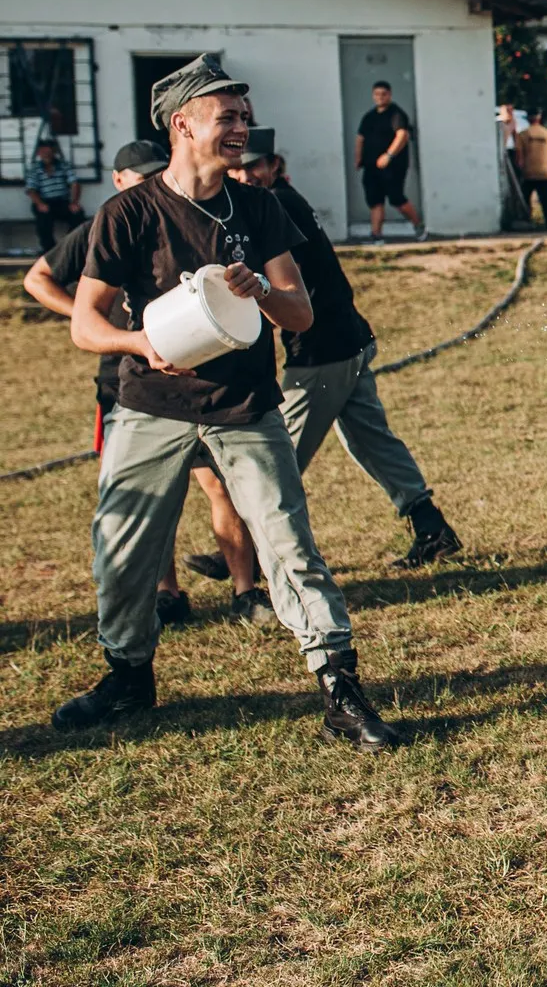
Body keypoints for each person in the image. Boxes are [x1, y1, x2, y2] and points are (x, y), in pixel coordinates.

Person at [57, 55, 398, 753]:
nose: (242, 128)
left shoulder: (260, 207)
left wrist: (262, 291)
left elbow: (300, 313)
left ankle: (339, 688)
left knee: (290, 545)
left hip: (246, 406)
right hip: (151, 403)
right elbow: (84, 324)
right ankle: (128, 674)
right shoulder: (129, 212)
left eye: (245, 116)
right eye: (228, 117)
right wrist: (138, 343)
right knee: (121, 550)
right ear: (183, 125)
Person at [22, 139, 273, 627]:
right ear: (118, 181)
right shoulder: (103, 224)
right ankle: (166, 594)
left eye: (156, 174)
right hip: (125, 380)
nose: (150, 183)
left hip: (195, 374)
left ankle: (245, 589)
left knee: (218, 487)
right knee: (154, 499)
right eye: (140, 177)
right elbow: (38, 278)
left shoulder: (179, 216)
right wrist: (92, 320)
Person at [234, 128, 463, 570]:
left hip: (322, 352)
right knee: (371, 441)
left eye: (254, 166)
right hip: (348, 338)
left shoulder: (274, 204)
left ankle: (245, 556)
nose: (245, 176)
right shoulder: (285, 198)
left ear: (274, 165)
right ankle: (431, 527)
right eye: (236, 170)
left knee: (279, 457)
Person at [355, 81, 424, 242]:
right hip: (371, 166)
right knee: (375, 201)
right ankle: (376, 236)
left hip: (393, 167)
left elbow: (402, 135)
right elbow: (360, 138)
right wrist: (358, 158)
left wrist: (388, 155)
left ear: (389, 95)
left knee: (396, 198)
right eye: (377, 94)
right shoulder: (369, 116)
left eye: (383, 94)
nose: (380, 97)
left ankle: (418, 226)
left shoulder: (396, 114)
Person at [26, 138, 84, 253]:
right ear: (39, 153)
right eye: (44, 152)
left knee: (78, 214)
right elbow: (31, 190)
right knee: (43, 221)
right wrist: (40, 204)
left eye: (49, 152)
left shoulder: (64, 166)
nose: (47, 155)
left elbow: (75, 183)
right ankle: (50, 250)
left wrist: (74, 202)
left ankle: (69, 246)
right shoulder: (35, 169)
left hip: (61, 201)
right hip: (44, 202)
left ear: (54, 152)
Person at [517, 110, 547, 230]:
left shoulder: (523, 134)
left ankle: (527, 222)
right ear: (539, 118)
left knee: (525, 200)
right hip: (546, 172)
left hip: (529, 172)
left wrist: (520, 170)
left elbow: (519, 157)